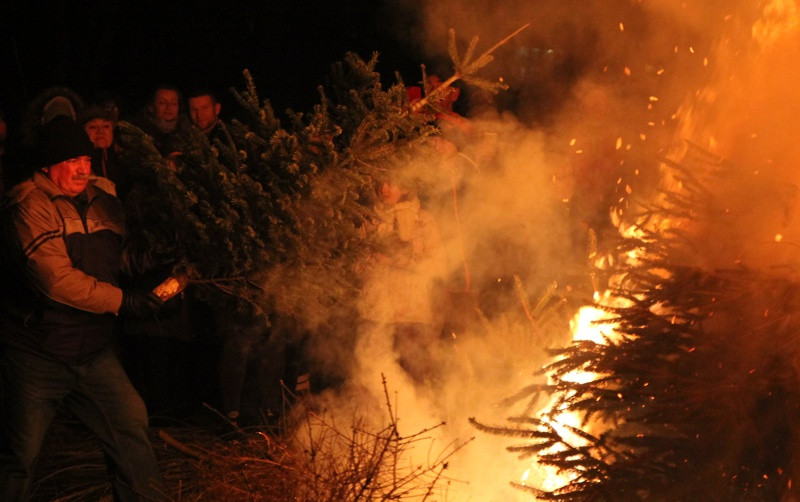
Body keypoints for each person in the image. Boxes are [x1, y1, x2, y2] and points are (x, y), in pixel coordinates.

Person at [0, 115, 169, 501]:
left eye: (87, 160)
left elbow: (118, 259)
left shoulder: (103, 200)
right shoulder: (30, 205)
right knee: (21, 456)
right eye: (72, 160)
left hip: (92, 351)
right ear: (47, 165)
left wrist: (158, 256)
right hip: (38, 353)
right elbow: (57, 281)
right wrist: (126, 302)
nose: (82, 169)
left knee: (130, 423)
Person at [356, 174, 445, 384]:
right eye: (381, 183)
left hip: (412, 312)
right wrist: (374, 260)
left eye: (391, 183)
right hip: (376, 312)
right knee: (375, 379)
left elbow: (438, 264)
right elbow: (354, 265)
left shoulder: (423, 220)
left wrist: (405, 262)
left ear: (405, 187)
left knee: (414, 378)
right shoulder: (369, 221)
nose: (384, 188)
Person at [80, 103, 132, 200]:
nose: (100, 131)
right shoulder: (78, 166)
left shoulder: (126, 165)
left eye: (106, 126)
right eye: (93, 127)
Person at [132, 84, 193, 157]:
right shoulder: (139, 134)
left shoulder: (190, 135)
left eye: (173, 103)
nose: (168, 107)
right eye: (162, 103)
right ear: (151, 107)